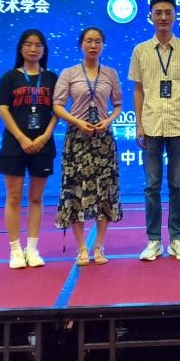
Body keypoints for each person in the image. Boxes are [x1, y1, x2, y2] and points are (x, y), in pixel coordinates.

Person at [129, 0, 180, 261]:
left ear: (175, 16)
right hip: (151, 125)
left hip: (179, 125)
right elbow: (138, 89)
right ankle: (154, 240)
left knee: (177, 185)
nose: (163, 17)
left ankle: (177, 239)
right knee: (152, 186)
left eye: (168, 12)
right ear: (151, 16)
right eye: (158, 12)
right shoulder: (141, 50)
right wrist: (138, 124)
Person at [52, 27, 124, 266]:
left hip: (103, 140)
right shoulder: (69, 73)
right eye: (89, 41)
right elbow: (57, 105)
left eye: (98, 41)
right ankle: (81, 247)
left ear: (103, 45)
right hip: (77, 139)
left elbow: (118, 105)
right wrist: (77, 122)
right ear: (81, 44)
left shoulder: (110, 73)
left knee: (105, 192)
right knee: (76, 192)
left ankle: (99, 246)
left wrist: (109, 121)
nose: (93, 45)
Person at [0, 29, 58, 269]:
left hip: (43, 144)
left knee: (36, 198)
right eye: (29, 44)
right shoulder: (9, 77)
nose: (33, 49)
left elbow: (57, 111)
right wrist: (21, 138)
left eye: (38, 45)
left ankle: (32, 249)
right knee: (13, 197)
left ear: (44, 50)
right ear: (21, 49)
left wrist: (44, 136)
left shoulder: (51, 78)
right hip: (14, 144)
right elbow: (3, 109)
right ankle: (15, 250)